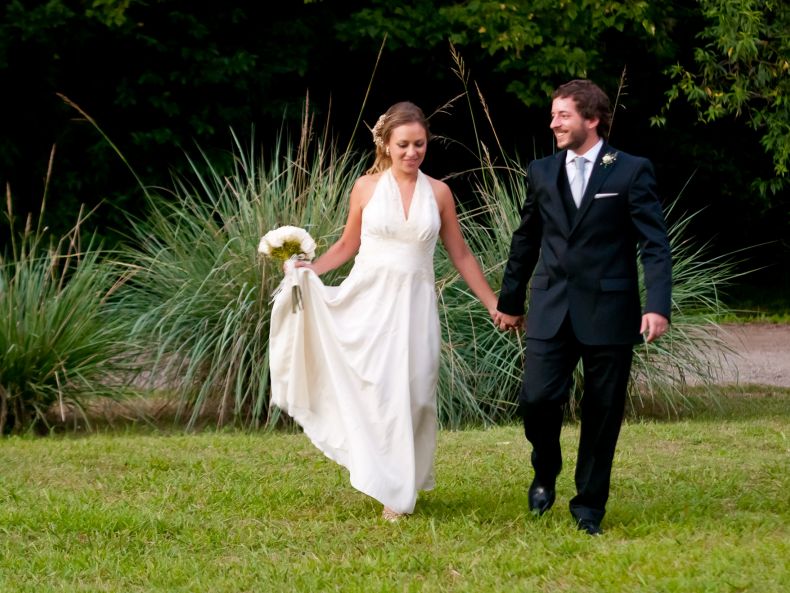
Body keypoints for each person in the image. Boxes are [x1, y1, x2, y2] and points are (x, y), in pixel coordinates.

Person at [268, 101, 498, 521]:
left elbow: (461, 254)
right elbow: (346, 245)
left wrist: (494, 303)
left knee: (416, 394)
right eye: (404, 145)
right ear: (387, 146)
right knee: (379, 392)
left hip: (416, 306)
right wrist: (309, 269)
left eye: (420, 144)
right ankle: (393, 489)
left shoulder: (440, 193)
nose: (413, 152)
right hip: (368, 302)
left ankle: (401, 477)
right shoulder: (365, 188)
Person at [494, 79, 672, 536]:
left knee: (603, 410)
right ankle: (544, 469)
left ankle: (589, 506)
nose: (553, 122)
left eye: (563, 115)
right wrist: (510, 302)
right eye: (553, 114)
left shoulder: (631, 170)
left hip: (610, 311)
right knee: (536, 399)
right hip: (550, 306)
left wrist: (657, 306)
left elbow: (654, 244)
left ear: (591, 120)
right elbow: (526, 240)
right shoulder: (540, 170)